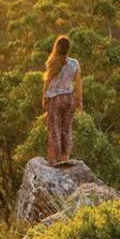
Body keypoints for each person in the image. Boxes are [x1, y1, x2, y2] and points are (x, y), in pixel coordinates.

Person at [42, 34, 82, 164]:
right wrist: (79, 100)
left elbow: (47, 82)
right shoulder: (74, 63)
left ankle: (57, 160)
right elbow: (79, 83)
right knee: (67, 128)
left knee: (54, 129)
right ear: (68, 48)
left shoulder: (52, 62)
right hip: (69, 98)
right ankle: (67, 158)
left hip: (55, 99)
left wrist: (44, 97)